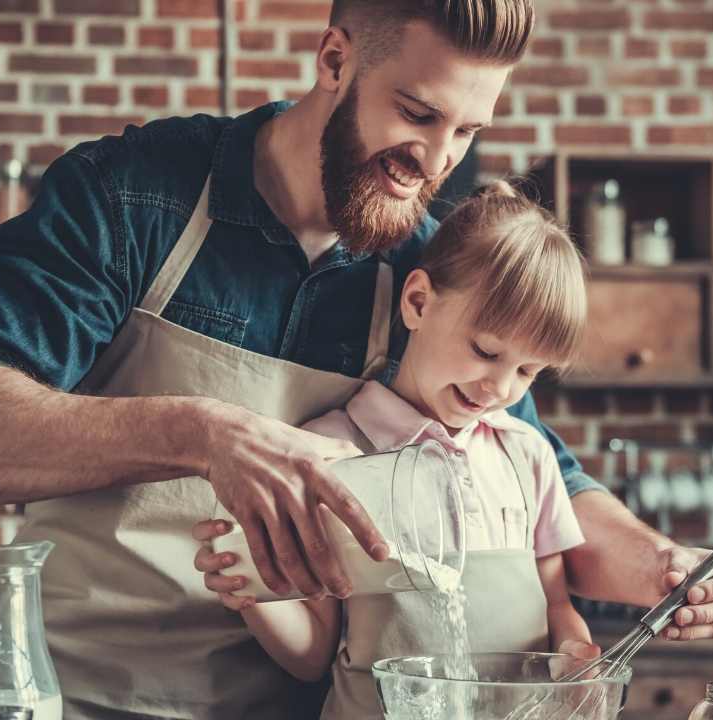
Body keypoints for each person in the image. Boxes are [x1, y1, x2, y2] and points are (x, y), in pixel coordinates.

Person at [0, 1, 713, 718]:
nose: (435, 163)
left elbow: (530, 477)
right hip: (85, 696)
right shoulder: (135, 194)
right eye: (417, 114)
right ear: (334, 58)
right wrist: (202, 431)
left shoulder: (431, 266)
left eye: (465, 132)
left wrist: (671, 571)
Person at [203, 180, 602, 719]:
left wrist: (577, 658)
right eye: (486, 351)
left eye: (528, 371)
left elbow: (558, 607)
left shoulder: (527, 456)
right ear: (417, 303)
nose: (500, 389)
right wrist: (249, 593)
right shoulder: (332, 453)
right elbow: (314, 655)